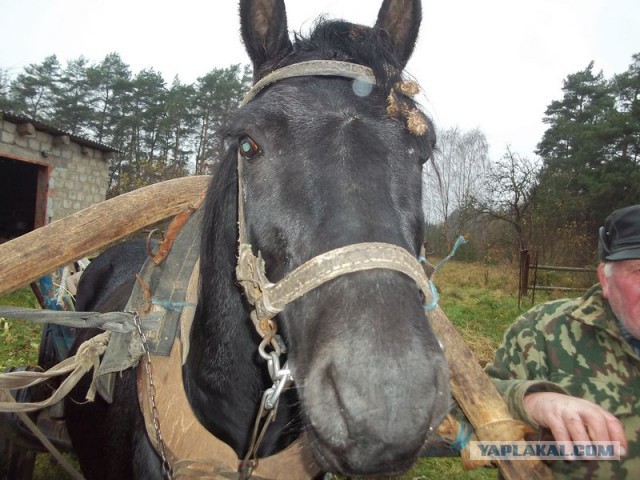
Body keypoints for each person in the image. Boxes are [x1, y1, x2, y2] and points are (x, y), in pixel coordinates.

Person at [485, 204, 640, 479]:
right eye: (639, 271)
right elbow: (456, 415)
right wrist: (531, 401)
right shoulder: (541, 332)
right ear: (605, 279)